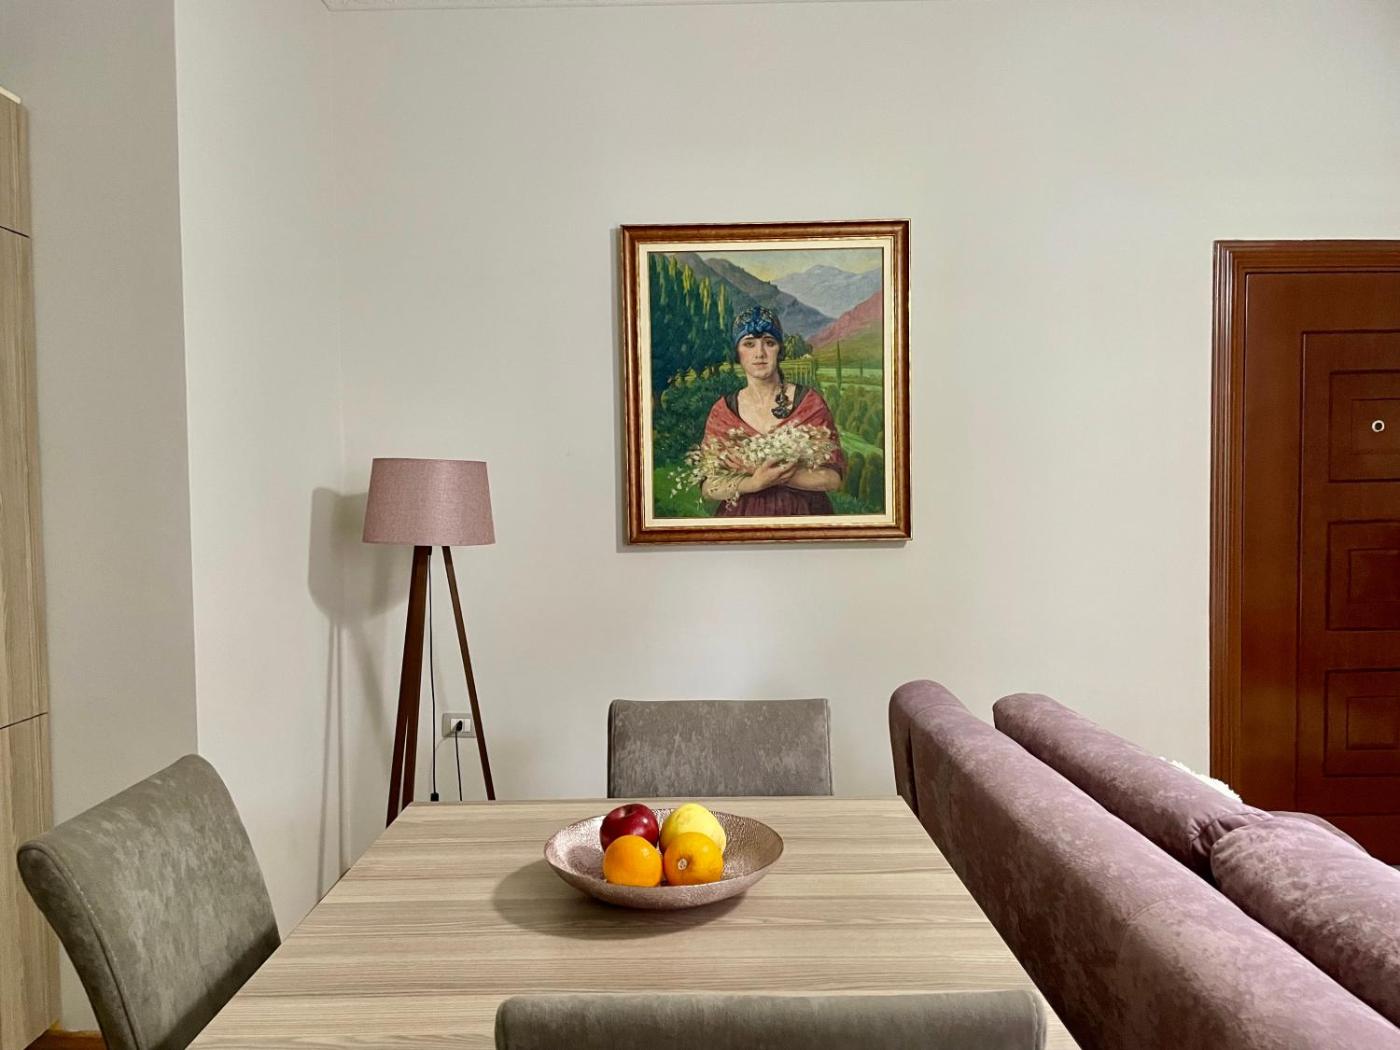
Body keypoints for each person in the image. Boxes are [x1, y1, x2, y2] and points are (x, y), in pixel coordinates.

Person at [700, 306, 845, 516]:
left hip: (803, 516)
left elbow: (833, 479)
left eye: (769, 343)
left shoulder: (809, 403)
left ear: (780, 350)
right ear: (737, 352)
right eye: (749, 344)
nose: (760, 353)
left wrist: (767, 473)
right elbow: (708, 488)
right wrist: (754, 482)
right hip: (742, 519)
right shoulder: (723, 412)